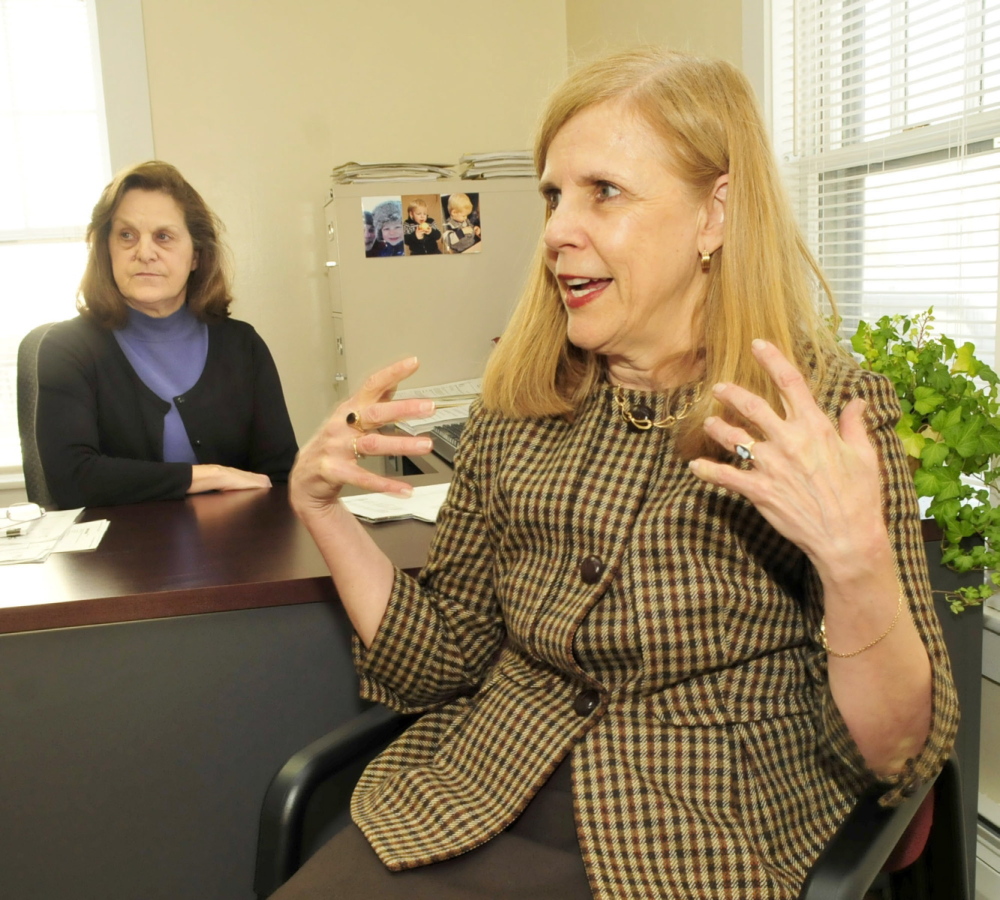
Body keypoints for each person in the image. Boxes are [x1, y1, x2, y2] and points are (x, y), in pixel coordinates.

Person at [279, 48, 958, 899]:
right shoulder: (518, 405)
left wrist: (855, 564)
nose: (560, 228)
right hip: (477, 796)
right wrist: (327, 513)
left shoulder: (819, 417)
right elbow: (439, 664)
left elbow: (899, 753)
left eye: (604, 191)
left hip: (699, 838)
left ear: (715, 215)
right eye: (553, 195)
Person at [36, 161, 298, 508]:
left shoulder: (242, 345)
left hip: (237, 553)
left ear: (195, 256)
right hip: (117, 558)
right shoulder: (67, 348)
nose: (144, 252)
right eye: (126, 235)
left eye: (164, 236)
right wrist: (209, 475)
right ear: (106, 249)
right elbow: (72, 480)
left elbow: (279, 476)